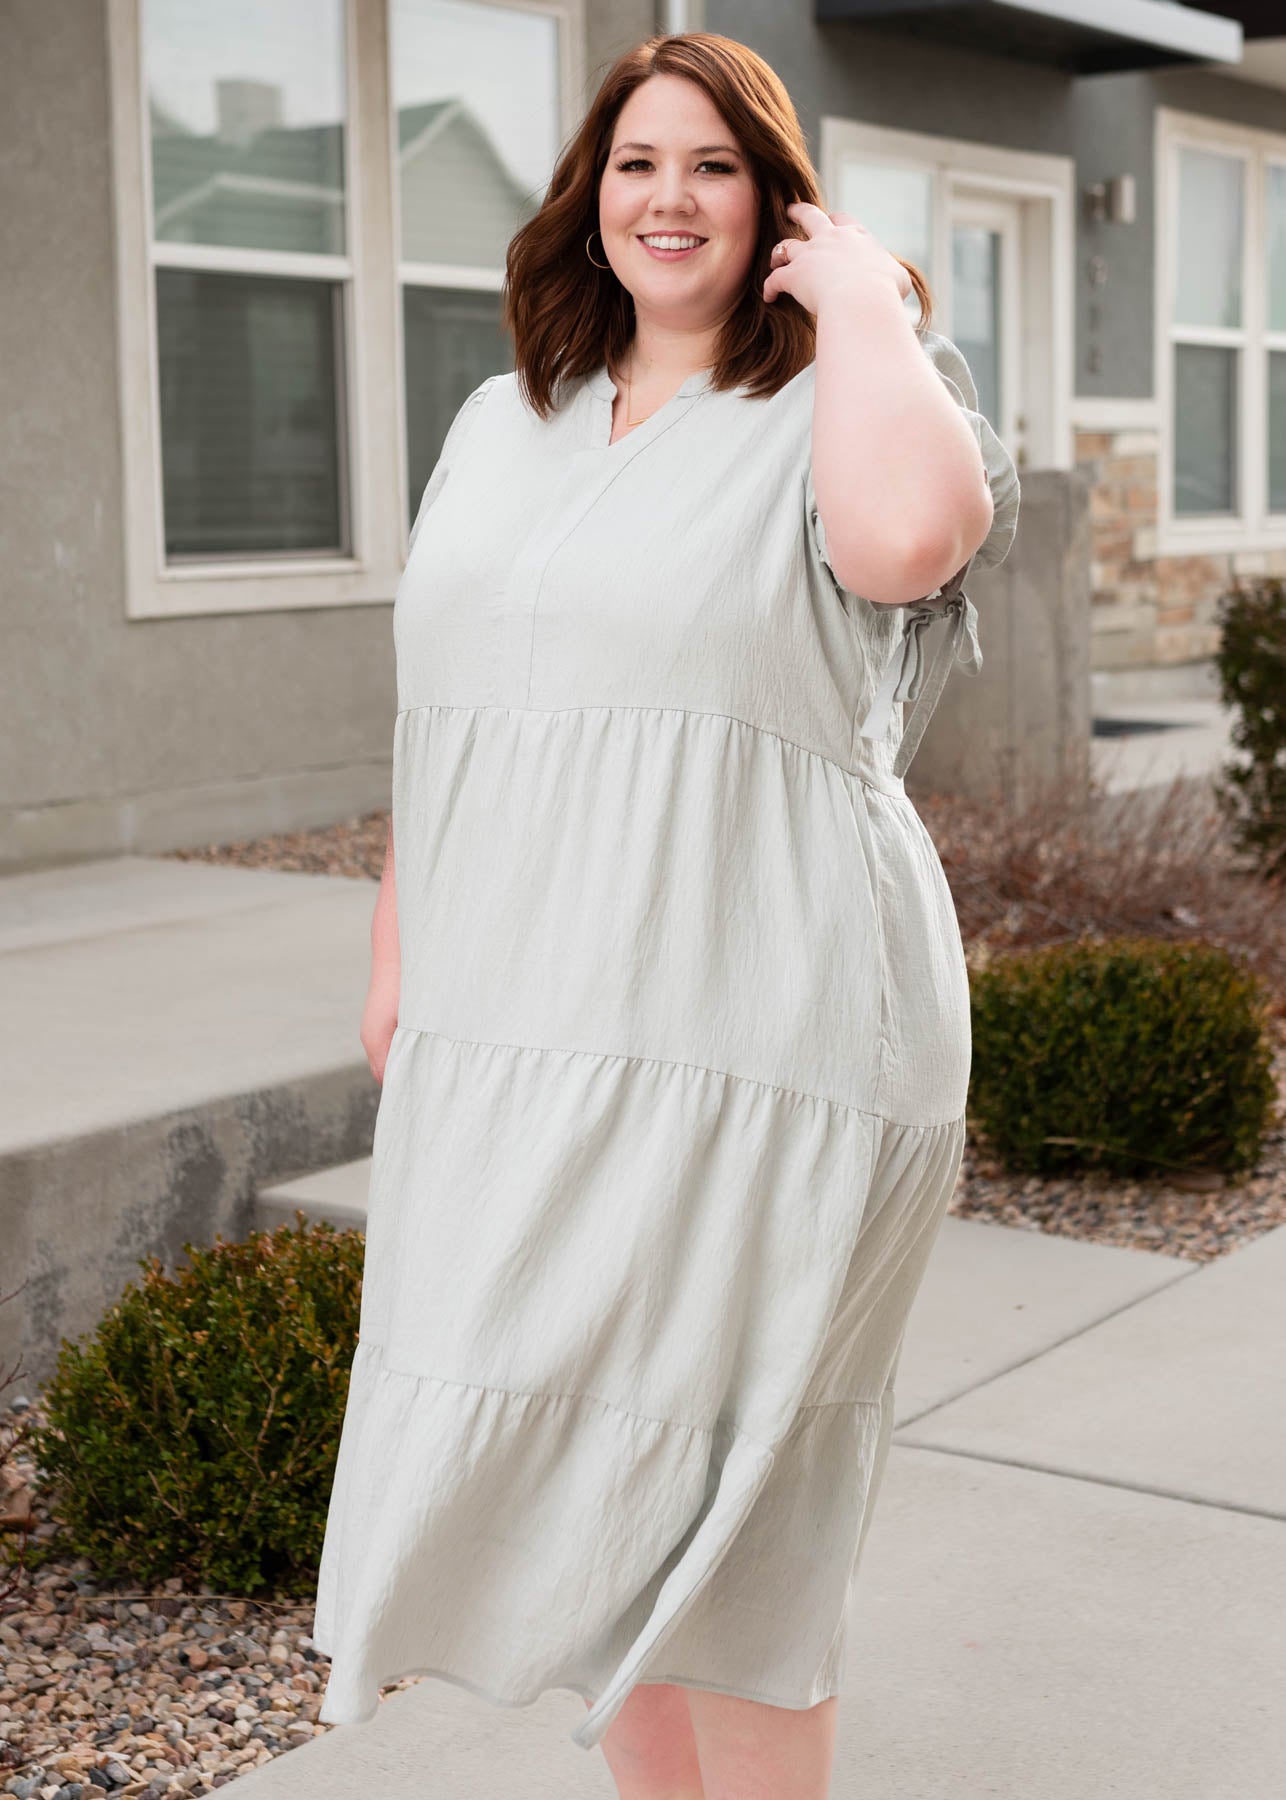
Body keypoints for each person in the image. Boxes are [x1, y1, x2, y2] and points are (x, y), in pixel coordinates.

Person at [312, 29, 1020, 1800]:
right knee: (596, 1497)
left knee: (739, 1495)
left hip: (771, 1011)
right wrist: (402, 960)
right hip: (534, 1020)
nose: (669, 196)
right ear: (590, 196)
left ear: (773, 201)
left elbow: (912, 536)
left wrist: (862, 302)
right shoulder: (503, 419)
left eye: (713, 163)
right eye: (638, 162)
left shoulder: (845, 390)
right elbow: (448, 708)